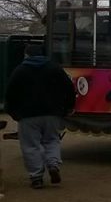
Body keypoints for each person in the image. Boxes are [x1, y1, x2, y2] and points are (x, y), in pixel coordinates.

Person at [4, 44, 76, 189]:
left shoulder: (20, 70)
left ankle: (36, 177)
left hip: (27, 115)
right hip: (52, 114)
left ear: (27, 54)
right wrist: (68, 107)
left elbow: (10, 94)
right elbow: (69, 88)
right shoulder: (55, 68)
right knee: (52, 140)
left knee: (31, 145)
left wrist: (13, 113)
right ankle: (53, 164)